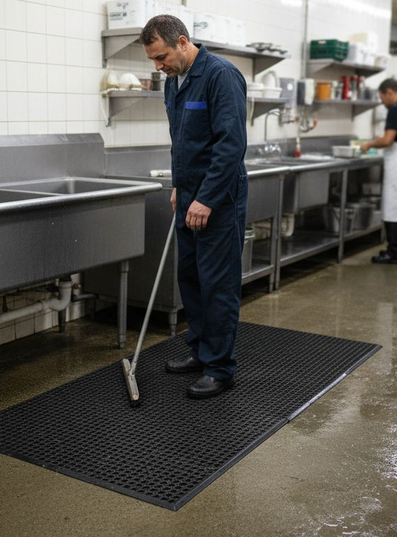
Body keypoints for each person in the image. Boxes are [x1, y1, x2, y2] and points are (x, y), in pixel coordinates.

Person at [141, 15, 248, 399]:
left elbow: (231, 145)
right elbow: (181, 141)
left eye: (162, 56)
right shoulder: (174, 82)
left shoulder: (221, 75)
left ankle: (220, 368)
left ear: (183, 42)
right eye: (153, 59)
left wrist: (205, 197)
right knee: (191, 278)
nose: (158, 66)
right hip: (189, 195)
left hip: (217, 200)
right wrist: (179, 186)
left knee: (218, 284)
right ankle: (200, 353)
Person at [360, 78, 397, 264]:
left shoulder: (396, 109)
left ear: (389, 92)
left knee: (395, 207)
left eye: (382, 97)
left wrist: (369, 143)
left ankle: (394, 252)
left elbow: (387, 140)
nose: (383, 102)